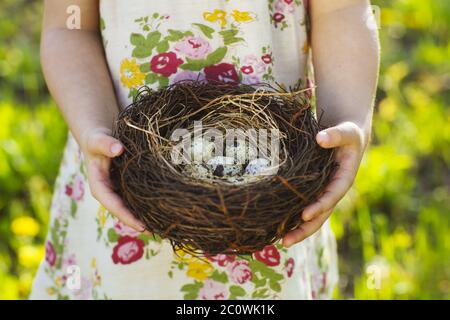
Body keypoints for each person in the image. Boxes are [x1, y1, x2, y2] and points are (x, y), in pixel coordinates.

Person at [30, 0, 379, 299]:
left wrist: (347, 118)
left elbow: (342, 10)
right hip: (123, 189)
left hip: (274, 197)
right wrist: (95, 128)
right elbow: (70, 26)